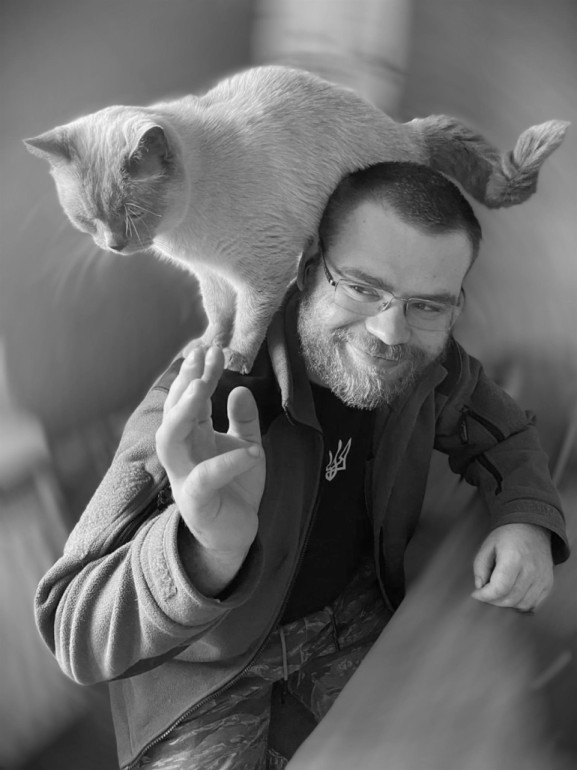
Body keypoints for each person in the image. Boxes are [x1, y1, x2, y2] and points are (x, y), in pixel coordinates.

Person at [35, 162, 569, 770]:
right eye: (362, 287)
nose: (389, 333)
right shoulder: (206, 396)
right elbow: (76, 631)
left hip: (353, 615)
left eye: (426, 304)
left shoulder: (429, 360)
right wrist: (203, 553)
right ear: (310, 267)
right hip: (208, 672)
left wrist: (526, 519)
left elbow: (505, 433)